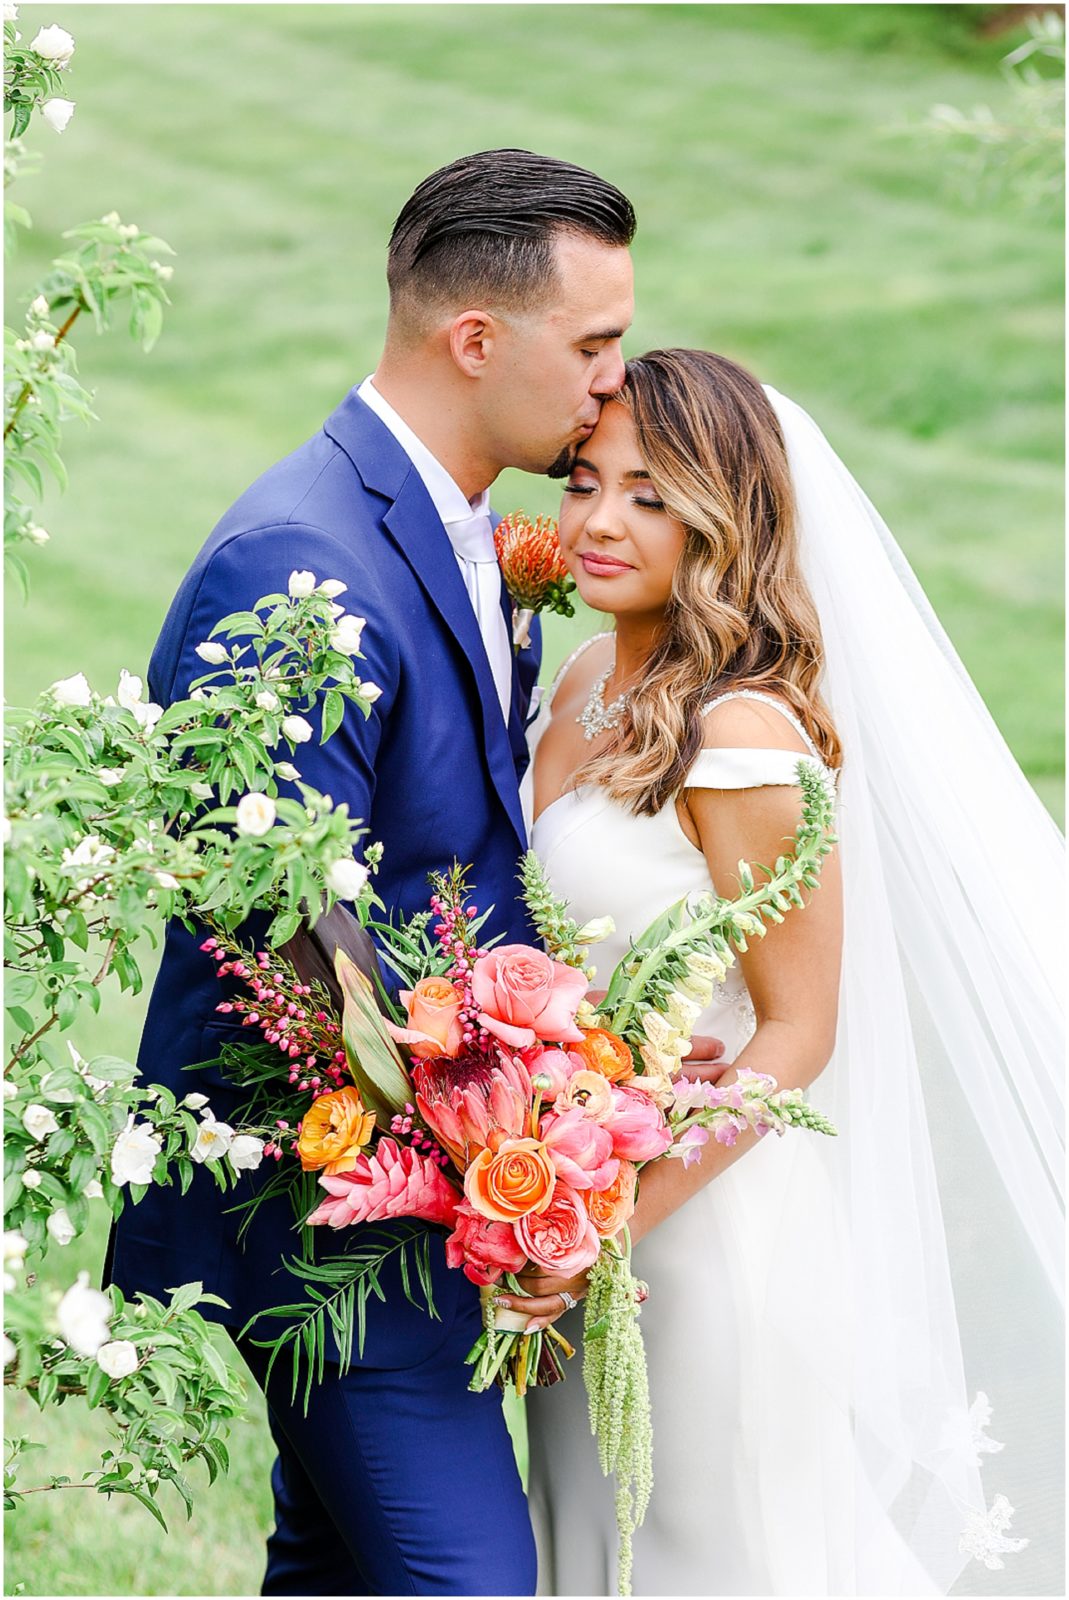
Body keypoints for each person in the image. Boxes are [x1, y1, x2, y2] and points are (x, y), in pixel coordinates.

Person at [107, 147, 639, 1597]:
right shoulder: (297, 557)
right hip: (336, 1208)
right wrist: (499, 1160)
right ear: (477, 339)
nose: (611, 380)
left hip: (424, 1202)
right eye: (592, 344)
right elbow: (278, 922)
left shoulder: (468, 529)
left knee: (334, 1569)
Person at [510, 349, 1064, 1595]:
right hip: (558, 1225)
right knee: (595, 1554)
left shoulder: (741, 733)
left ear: (722, 514)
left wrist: (601, 1226)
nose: (598, 522)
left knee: (719, 1552)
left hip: (700, 1242)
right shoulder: (589, 678)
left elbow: (795, 1031)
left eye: (649, 494)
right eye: (585, 481)